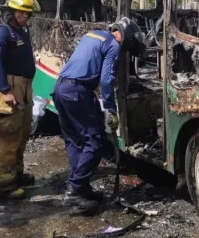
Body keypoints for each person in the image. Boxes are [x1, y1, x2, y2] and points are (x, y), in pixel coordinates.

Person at [54, 17, 147, 214]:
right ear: (127, 37)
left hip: (61, 87)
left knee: (75, 141)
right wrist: (111, 109)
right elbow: (106, 81)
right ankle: (75, 189)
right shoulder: (113, 45)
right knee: (95, 140)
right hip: (77, 92)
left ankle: (81, 188)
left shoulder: (93, 35)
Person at [0, 0, 39, 200]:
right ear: (11, 11)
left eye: (27, 13)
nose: (24, 16)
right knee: (8, 136)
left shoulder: (21, 30)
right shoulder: (3, 33)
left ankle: (16, 174)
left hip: (24, 87)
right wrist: (5, 90)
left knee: (22, 132)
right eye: (21, 12)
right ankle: (3, 185)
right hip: (11, 88)